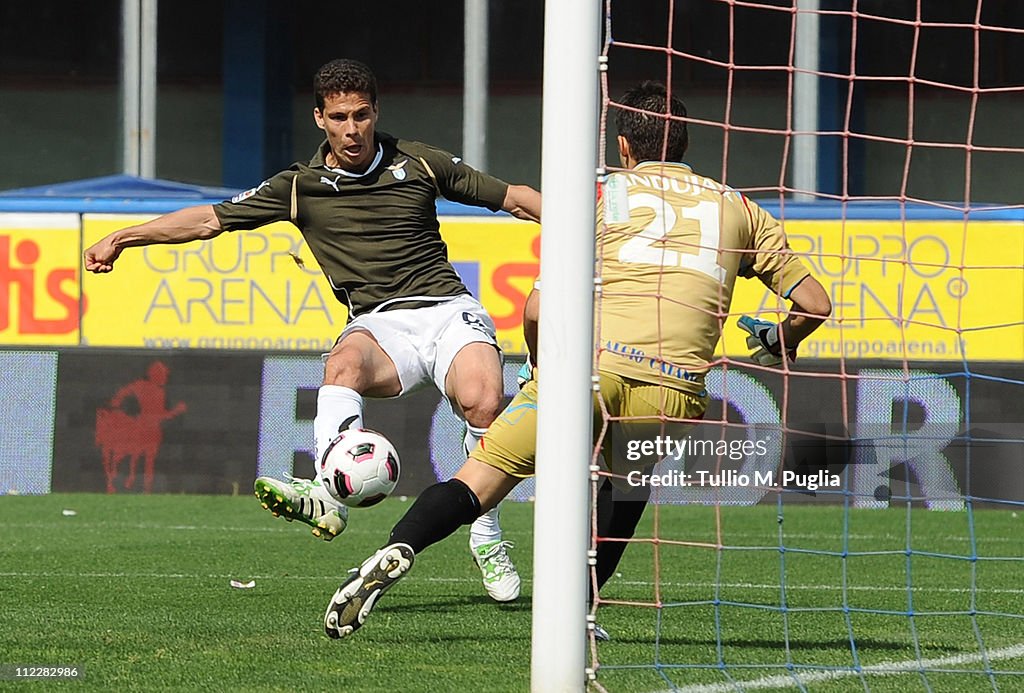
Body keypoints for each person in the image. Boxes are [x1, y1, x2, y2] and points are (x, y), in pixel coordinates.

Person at [319, 80, 833, 641]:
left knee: (480, 481)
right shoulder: (737, 207)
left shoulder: (600, 198)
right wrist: (783, 339)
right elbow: (815, 304)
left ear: (624, 148)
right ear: (683, 145)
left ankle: (400, 547)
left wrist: (543, 370)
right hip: (674, 389)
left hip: (589, 371)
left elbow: (537, 307)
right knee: (627, 488)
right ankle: (581, 612)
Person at [83, 58, 542, 603]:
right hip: (379, 324)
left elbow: (514, 197)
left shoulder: (420, 162)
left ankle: (486, 537)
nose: (353, 129)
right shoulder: (299, 186)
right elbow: (210, 219)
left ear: (376, 113)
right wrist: (126, 237)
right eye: (340, 117)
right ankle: (330, 493)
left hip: (446, 308)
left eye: (362, 115)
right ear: (319, 118)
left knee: (484, 402)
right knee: (342, 364)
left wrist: (598, 226)